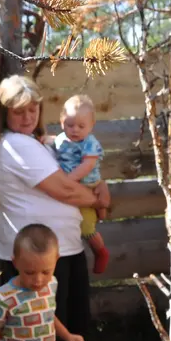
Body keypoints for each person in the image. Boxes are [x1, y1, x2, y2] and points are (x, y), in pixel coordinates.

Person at [0, 75, 111, 341]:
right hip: (33, 258)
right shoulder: (16, 144)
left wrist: (100, 184)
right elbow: (64, 190)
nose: (28, 117)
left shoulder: (34, 143)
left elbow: (72, 162)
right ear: (3, 113)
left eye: (33, 109)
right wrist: (98, 199)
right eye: (19, 111)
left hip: (59, 252)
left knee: (68, 331)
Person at [46, 94, 110, 274]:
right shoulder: (62, 139)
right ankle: (101, 211)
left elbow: (87, 165)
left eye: (81, 126)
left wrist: (68, 180)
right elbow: (53, 141)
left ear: (91, 126)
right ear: (61, 122)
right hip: (74, 184)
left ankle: (101, 251)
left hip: (87, 183)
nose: (75, 130)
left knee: (87, 227)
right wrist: (43, 139)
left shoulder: (89, 143)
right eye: (69, 125)